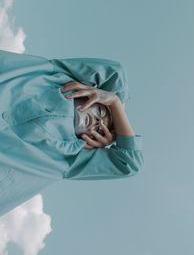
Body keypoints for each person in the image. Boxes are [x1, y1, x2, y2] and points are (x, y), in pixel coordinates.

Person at [0, 49, 144, 217]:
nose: (99, 122)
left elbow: (129, 164)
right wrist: (113, 100)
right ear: (93, 92)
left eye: (100, 130)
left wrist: (115, 109)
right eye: (101, 112)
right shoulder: (55, 78)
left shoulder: (65, 159)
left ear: (92, 142)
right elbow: (116, 72)